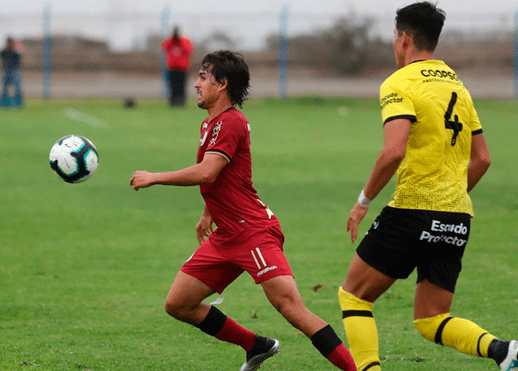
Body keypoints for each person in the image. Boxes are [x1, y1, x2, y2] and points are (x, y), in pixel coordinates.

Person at [130, 50, 357, 371]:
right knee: (179, 304)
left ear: (222, 84)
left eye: (203, 77)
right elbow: (221, 177)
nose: (195, 84)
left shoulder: (232, 122)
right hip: (226, 235)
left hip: (253, 232)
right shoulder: (210, 123)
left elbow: (207, 172)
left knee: (292, 309)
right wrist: (209, 212)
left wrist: (155, 177)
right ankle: (256, 346)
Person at [337, 3, 518, 371]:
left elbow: (393, 151)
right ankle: (502, 351)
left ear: (404, 38)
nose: (393, 45)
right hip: (456, 216)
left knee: (354, 297)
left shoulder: (399, 83)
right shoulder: (456, 84)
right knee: (431, 319)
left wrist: (363, 201)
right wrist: (452, 195)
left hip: (411, 210)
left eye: (394, 38)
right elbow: (483, 158)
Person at [161, 26, 194, 108]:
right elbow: (164, 47)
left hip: (182, 69)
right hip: (172, 68)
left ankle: (181, 102)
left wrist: (180, 41)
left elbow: (188, 50)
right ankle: (173, 102)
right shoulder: (170, 41)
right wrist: (173, 39)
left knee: (181, 86)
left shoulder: (184, 41)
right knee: (172, 86)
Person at [0, 36, 23, 107]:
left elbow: (19, 57)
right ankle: (5, 102)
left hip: (14, 71)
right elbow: (0, 54)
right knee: (5, 89)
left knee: (17, 88)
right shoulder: (5, 51)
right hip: (6, 71)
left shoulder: (15, 52)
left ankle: (18, 102)